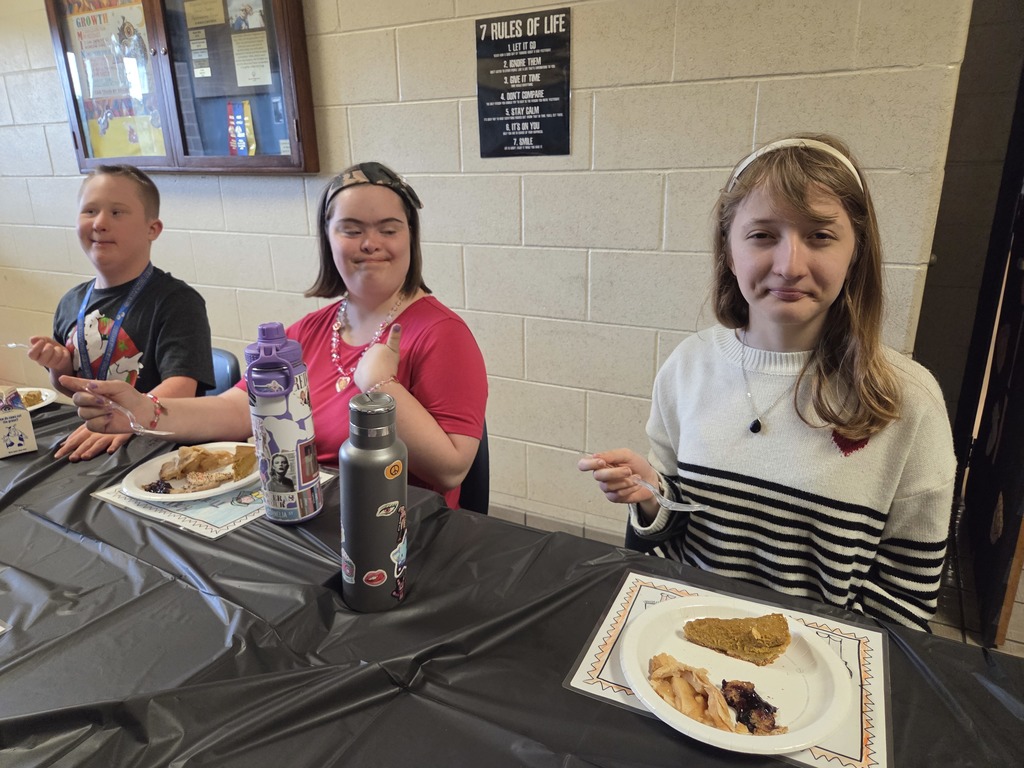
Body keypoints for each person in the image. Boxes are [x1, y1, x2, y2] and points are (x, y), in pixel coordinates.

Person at [579, 134, 956, 632]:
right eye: (762, 235)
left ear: (856, 252)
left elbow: (907, 596)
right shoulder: (688, 365)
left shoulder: (909, 400)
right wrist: (649, 491)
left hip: (817, 666)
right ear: (729, 250)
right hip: (690, 637)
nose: (789, 265)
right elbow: (673, 530)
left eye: (820, 236)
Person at [62, 162, 488, 510]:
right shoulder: (310, 330)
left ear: (411, 237)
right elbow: (235, 410)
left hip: (392, 533)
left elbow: (452, 469)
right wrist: (144, 412)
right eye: (352, 229)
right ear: (328, 238)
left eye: (389, 229)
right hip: (306, 513)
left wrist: (381, 385)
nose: (370, 243)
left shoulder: (442, 335)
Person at [26, 164, 213, 462]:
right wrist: (59, 367)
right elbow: (74, 389)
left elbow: (182, 388)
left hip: (158, 446)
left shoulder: (177, 302)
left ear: (152, 229)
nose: (100, 223)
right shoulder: (71, 302)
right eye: (90, 211)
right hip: (98, 441)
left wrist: (127, 416)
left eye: (116, 212)